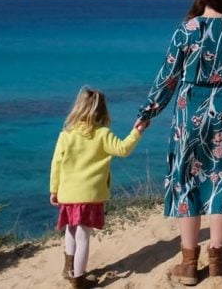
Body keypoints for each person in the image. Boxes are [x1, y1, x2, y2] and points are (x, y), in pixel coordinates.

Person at [138, 0, 222, 285]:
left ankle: (190, 264)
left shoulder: (187, 29)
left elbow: (168, 75)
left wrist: (148, 111)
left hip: (189, 106)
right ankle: (218, 260)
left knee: (186, 177)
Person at [50, 86, 148, 288]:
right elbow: (123, 149)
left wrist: (54, 189)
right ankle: (78, 278)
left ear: (78, 108)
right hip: (90, 195)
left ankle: (69, 268)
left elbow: (56, 164)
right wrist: (137, 131)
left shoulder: (65, 135)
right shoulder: (103, 134)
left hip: (67, 194)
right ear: (102, 111)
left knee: (70, 230)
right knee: (83, 236)